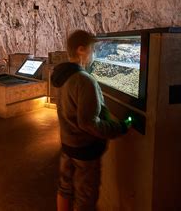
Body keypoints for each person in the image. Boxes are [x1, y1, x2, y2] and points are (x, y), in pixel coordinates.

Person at [51, 30, 132, 211]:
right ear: (81, 50)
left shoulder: (61, 77)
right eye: (92, 49)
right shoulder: (84, 80)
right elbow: (88, 123)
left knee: (64, 188)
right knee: (85, 198)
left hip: (67, 145)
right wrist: (120, 127)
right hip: (85, 151)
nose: (94, 54)